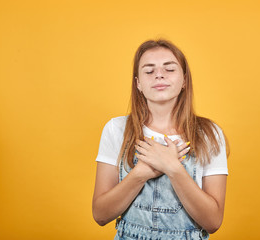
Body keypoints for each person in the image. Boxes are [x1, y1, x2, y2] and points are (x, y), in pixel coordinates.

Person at [92, 38, 230, 240]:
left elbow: (213, 221)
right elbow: (100, 214)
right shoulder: (116, 129)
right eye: (149, 71)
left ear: (184, 80)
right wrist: (141, 173)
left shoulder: (209, 134)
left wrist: (173, 168)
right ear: (138, 83)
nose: (159, 75)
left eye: (170, 69)